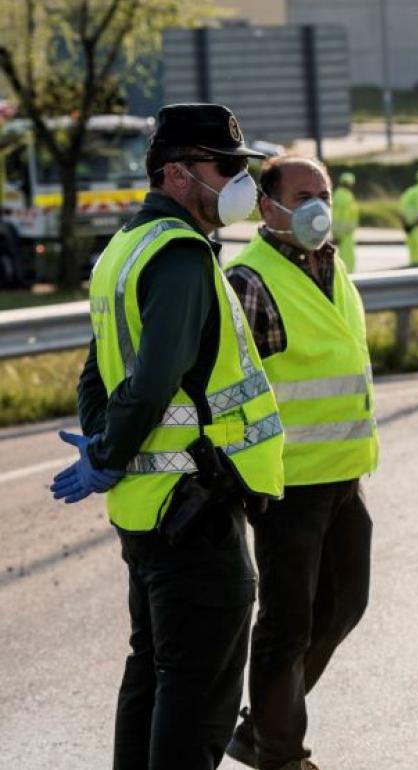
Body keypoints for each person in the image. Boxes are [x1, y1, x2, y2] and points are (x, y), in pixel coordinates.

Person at [55, 102, 285, 769]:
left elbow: (95, 372)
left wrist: (106, 448)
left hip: (148, 508)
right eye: (228, 169)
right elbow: (153, 382)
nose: (241, 183)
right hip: (195, 511)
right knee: (196, 698)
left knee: (153, 675)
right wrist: (106, 450)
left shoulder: (123, 249)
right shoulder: (181, 255)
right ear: (180, 173)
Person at [222, 155, 378, 770]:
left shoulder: (333, 266)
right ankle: (281, 752)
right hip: (287, 482)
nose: (318, 206)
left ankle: (260, 727)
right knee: (287, 622)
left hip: (343, 474)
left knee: (346, 603)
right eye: (303, 194)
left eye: (325, 193)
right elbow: (230, 387)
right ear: (268, 206)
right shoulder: (248, 281)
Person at [331, 171, 360, 272]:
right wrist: (338, 233)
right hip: (345, 232)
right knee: (347, 255)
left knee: (345, 255)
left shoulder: (338, 195)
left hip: (343, 231)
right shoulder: (346, 196)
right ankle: (348, 274)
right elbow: (341, 216)